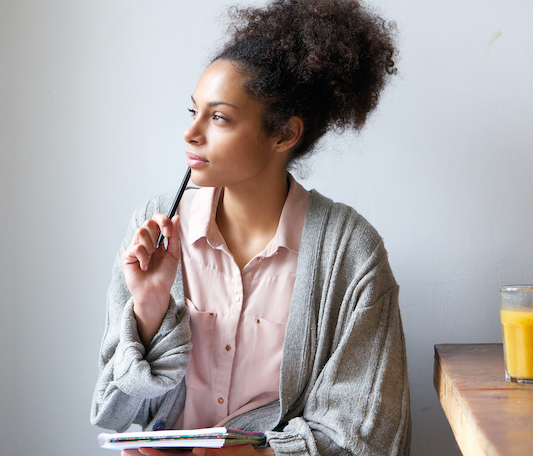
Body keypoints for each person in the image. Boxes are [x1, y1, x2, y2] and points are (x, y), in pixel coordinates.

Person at [90, 0, 410, 455]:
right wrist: (148, 309)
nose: (191, 133)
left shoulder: (351, 252)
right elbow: (113, 413)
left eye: (218, 117)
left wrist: (262, 454)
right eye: (193, 111)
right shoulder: (155, 226)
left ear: (284, 135)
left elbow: (368, 434)